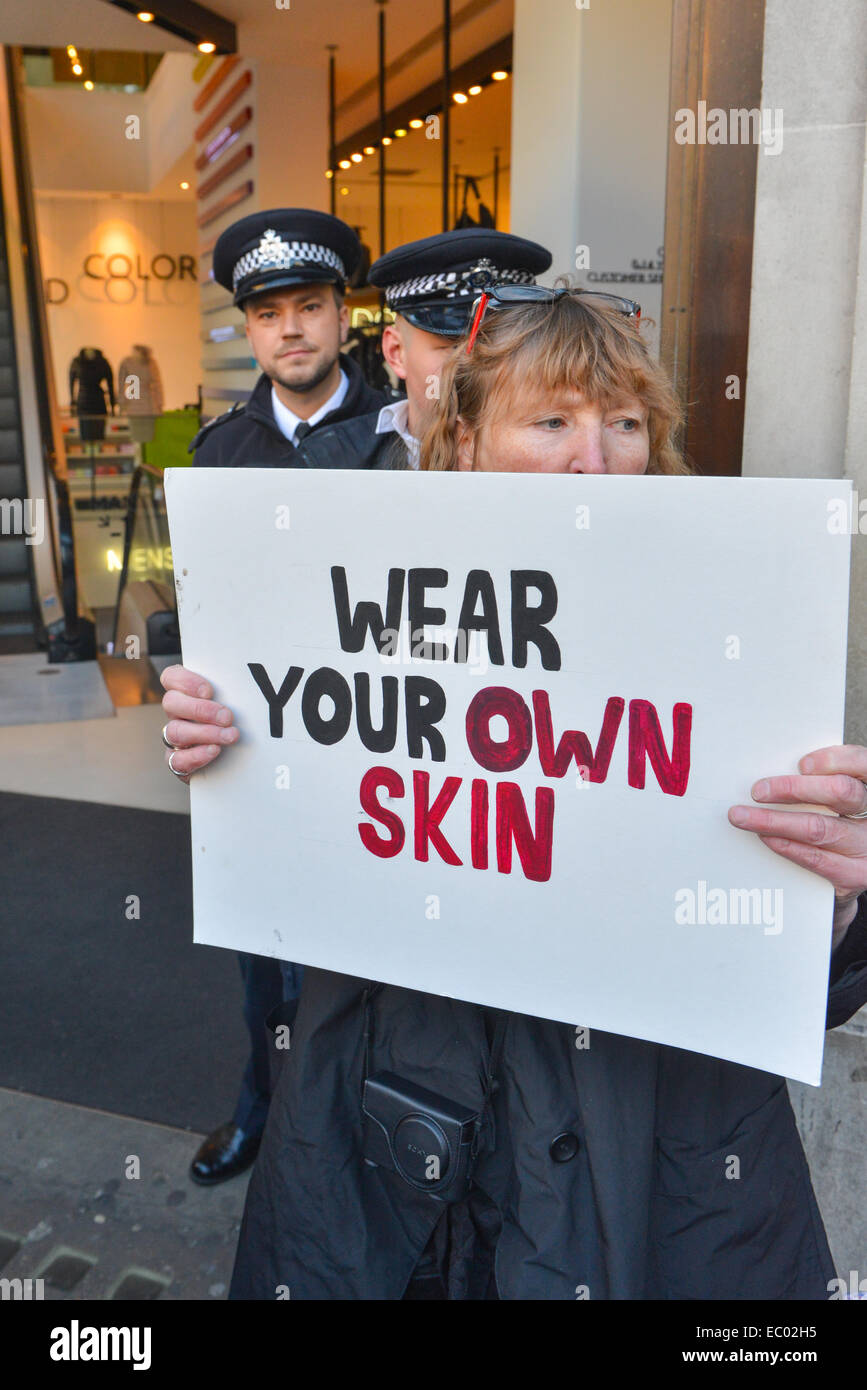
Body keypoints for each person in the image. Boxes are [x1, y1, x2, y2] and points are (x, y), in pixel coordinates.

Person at [167, 288, 867, 1297]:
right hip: (390, 1151)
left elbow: (790, 966)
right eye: (553, 421)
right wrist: (229, 750)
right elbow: (312, 854)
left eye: (625, 422)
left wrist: (832, 907)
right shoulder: (362, 594)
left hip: (648, 1166)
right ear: (463, 442)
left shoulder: (732, 635)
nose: (598, 458)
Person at [165, 208, 390, 1188]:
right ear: (248, 330)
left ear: (344, 314)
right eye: (269, 313)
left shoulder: (407, 437)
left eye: (310, 305)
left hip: (383, 746)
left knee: (379, 957)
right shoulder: (219, 455)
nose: (291, 329)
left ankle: (371, 1139)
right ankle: (266, 1108)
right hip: (260, 751)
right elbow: (198, 615)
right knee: (267, 959)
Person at [300, 227, 552, 472]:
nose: (479, 363)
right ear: (396, 352)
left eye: (501, 345)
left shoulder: (560, 455)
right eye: (453, 347)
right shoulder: (332, 460)